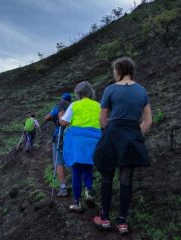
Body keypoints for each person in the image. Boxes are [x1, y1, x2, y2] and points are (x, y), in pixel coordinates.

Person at [93, 57, 153, 234]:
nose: (114, 73)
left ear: (119, 70)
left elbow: (102, 119)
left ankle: (104, 218)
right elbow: (148, 120)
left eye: (114, 70)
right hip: (131, 137)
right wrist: (134, 136)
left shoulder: (110, 89)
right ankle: (122, 222)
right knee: (126, 179)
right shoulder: (142, 90)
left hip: (112, 134)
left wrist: (109, 133)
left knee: (107, 176)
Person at [60, 81, 102, 212]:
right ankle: (89, 191)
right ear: (91, 93)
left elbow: (64, 122)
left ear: (78, 93)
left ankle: (77, 203)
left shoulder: (74, 105)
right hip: (93, 141)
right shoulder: (98, 105)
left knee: (77, 171)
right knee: (88, 167)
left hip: (77, 141)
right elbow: (103, 122)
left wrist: (61, 116)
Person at [44, 93, 72, 197]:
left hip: (59, 135)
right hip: (71, 135)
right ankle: (76, 183)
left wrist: (52, 117)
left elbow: (46, 117)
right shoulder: (73, 107)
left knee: (59, 162)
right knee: (72, 159)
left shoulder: (58, 106)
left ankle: (63, 187)